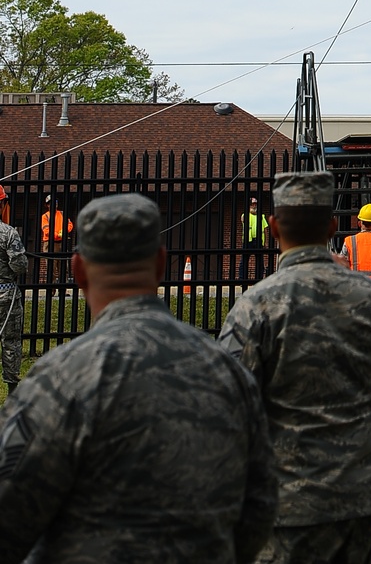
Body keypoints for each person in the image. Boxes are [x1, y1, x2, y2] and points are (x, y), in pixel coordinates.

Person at [0, 193, 277, 562]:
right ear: (161, 263)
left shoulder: (57, 380)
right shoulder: (226, 370)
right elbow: (260, 504)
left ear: (78, 270)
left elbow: (10, 513)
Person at [218, 170, 371, 564]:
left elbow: (227, 394)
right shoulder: (368, 296)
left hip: (285, 495)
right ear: (332, 226)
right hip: (358, 490)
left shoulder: (255, 306)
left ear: (274, 227)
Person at [0, 215, 28, 397]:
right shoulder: (8, 232)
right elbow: (19, 265)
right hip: (6, 295)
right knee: (10, 342)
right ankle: (12, 392)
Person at [40, 195, 73, 283]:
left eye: (55, 203)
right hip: (50, 243)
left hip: (61, 243)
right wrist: (58, 235)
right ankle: (52, 290)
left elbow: (70, 224)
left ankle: (63, 289)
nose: (54, 205)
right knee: (52, 269)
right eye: (51, 203)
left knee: (63, 267)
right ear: (47, 205)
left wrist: (64, 231)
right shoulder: (45, 216)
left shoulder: (62, 214)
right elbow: (46, 230)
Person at [238, 194, 269, 286]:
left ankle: (258, 280)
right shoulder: (245, 215)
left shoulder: (261, 216)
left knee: (260, 261)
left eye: (255, 204)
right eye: (252, 204)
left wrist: (266, 242)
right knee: (244, 260)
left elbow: (265, 229)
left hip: (259, 240)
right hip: (248, 240)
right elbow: (242, 219)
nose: (254, 206)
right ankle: (242, 280)